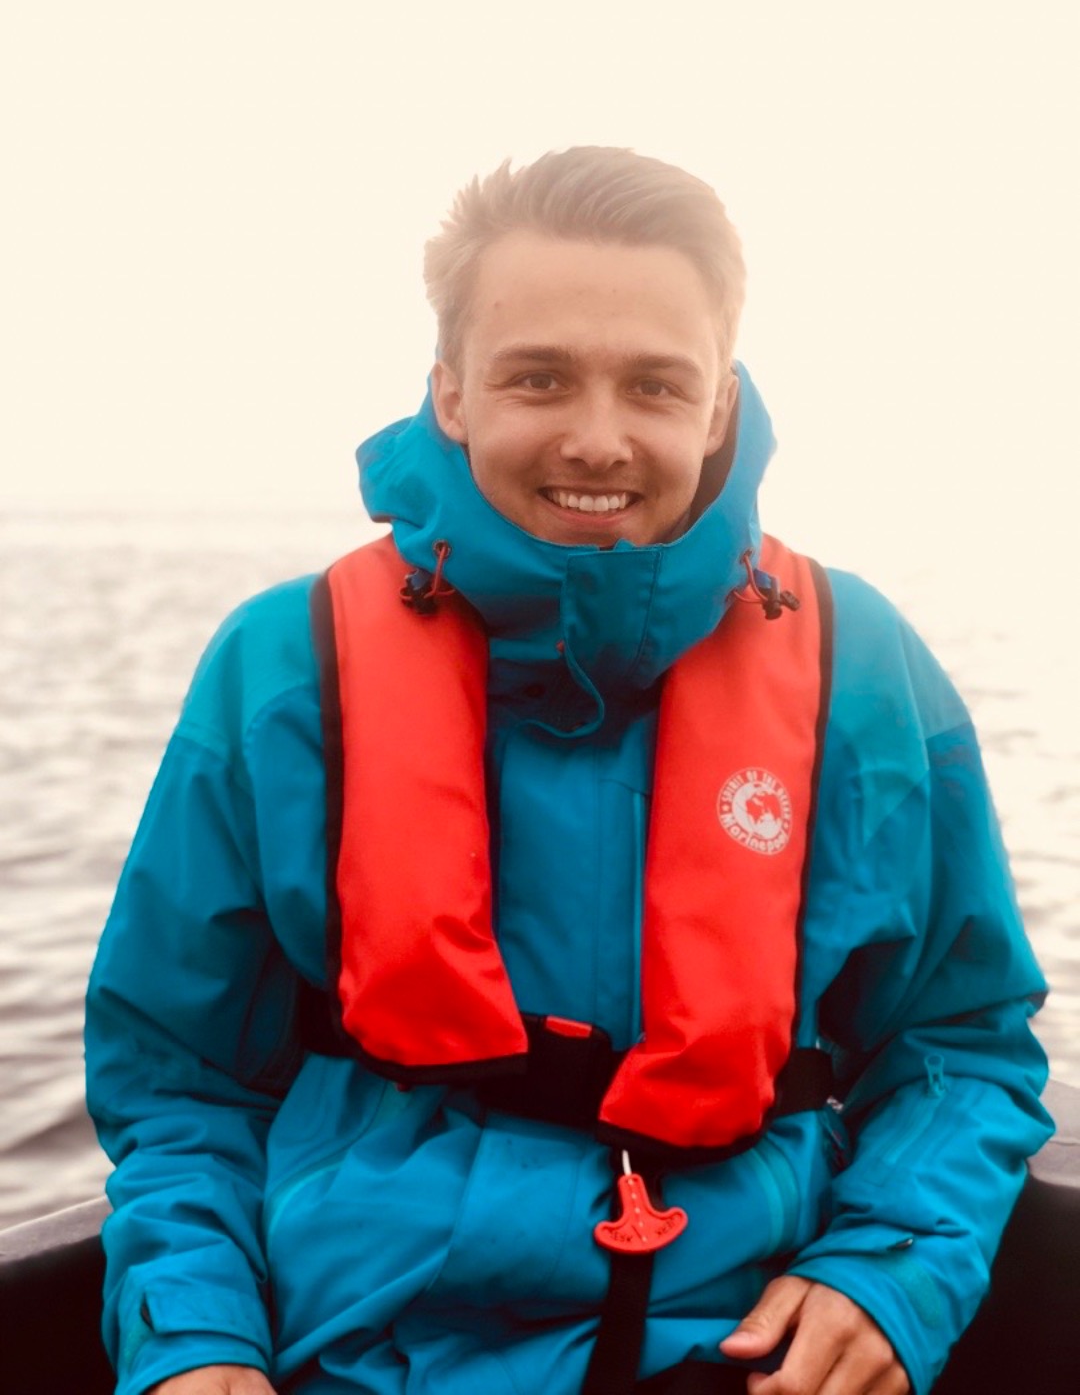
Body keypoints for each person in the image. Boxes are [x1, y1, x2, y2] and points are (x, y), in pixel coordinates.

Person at [85, 147, 1052, 1395]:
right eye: (539, 378)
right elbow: (178, 1079)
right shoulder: (283, 667)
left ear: (718, 406)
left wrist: (894, 1264)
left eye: (655, 385)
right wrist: (195, 1339)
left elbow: (961, 1041)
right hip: (366, 1351)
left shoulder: (862, 668)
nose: (598, 441)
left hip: (742, 1344)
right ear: (450, 390)